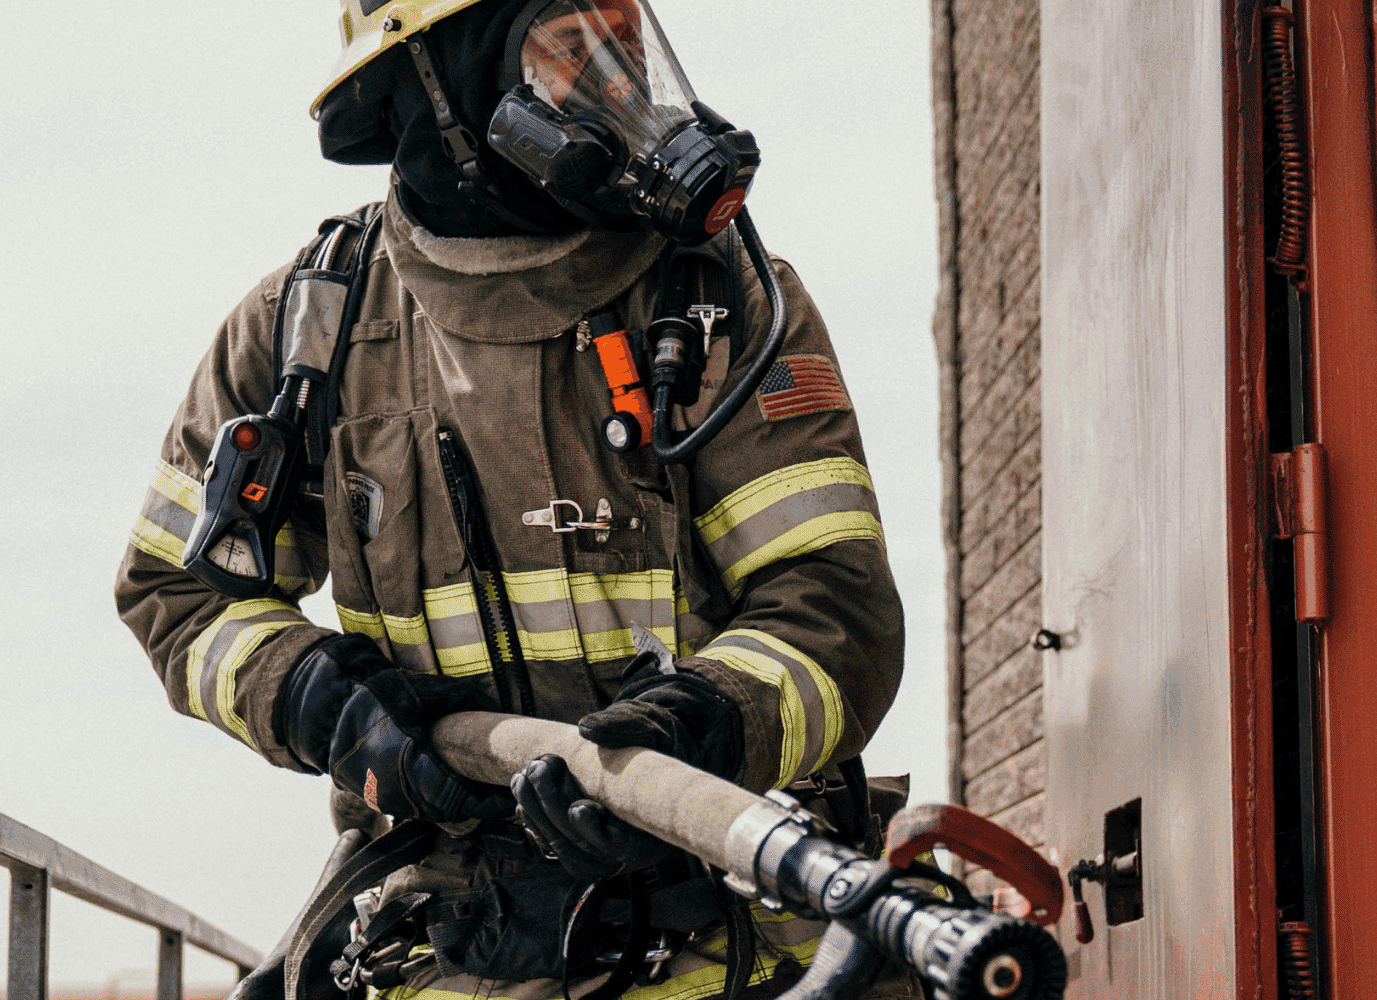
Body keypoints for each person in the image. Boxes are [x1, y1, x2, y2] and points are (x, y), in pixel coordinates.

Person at [112, 1, 905, 996]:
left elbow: (837, 605)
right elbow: (177, 592)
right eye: (570, 47)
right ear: (441, 79)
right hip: (446, 941)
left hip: (734, 928)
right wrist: (325, 704)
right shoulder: (307, 330)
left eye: (623, 40)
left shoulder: (720, 302)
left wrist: (700, 730)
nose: (613, 81)